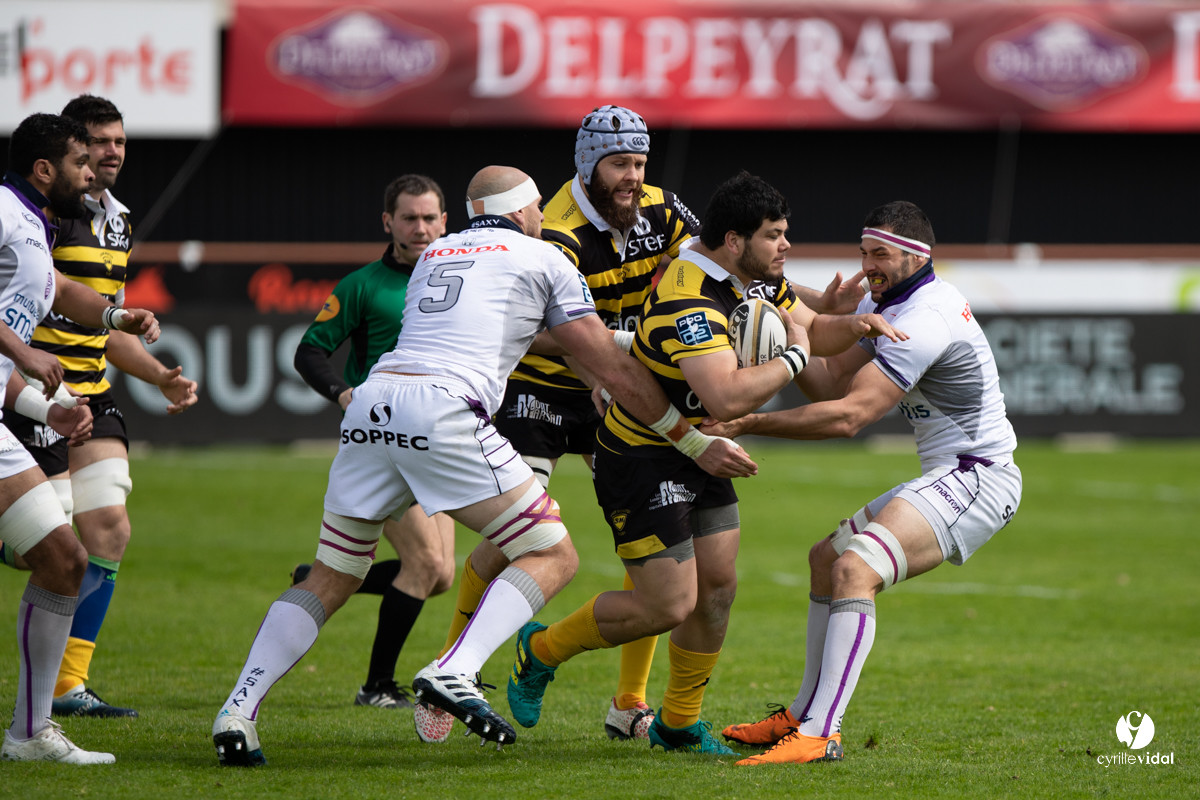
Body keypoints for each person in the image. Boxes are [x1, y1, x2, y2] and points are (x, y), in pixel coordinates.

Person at [211, 165, 757, 767]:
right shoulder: (543, 256)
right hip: (445, 409)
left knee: (331, 574)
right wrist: (689, 438)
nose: (545, 220)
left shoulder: (436, 252)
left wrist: (629, 343)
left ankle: (238, 709)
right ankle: (456, 669)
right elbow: (611, 365)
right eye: (539, 213)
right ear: (525, 212)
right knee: (553, 553)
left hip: (373, 402)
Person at [432, 105, 867, 743]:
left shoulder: (662, 210)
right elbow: (553, 332)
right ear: (587, 165)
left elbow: (730, 248)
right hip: (552, 380)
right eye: (619, 164)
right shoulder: (555, 234)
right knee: (516, 537)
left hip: (638, 377)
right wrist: (612, 365)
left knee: (702, 580)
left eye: (640, 161)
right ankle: (455, 676)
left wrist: (817, 305)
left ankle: (641, 709)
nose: (633, 176)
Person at [504, 172, 905, 755]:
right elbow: (728, 396)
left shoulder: (756, 277)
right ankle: (541, 650)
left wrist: (857, 325)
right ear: (735, 241)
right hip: (643, 451)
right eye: (776, 236)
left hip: (702, 449)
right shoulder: (690, 295)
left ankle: (678, 724)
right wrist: (795, 355)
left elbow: (813, 327)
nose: (786, 247)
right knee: (666, 605)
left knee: (717, 588)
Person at [711, 201, 1022, 765]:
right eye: (863, 252)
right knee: (825, 561)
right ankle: (802, 716)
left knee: (855, 569)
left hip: (981, 478)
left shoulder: (926, 317)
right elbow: (828, 383)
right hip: (952, 473)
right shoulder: (892, 303)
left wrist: (750, 421)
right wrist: (792, 335)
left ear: (916, 255)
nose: (867, 265)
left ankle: (821, 733)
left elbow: (849, 416)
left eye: (879, 254)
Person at [0, 95, 199, 720]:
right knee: (53, 537)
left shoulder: (114, 220)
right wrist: (27, 361)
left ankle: (64, 689)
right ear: (53, 160)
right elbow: (43, 298)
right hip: (35, 391)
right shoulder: (36, 215)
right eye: (89, 150)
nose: (103, 159)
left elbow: (82, 307)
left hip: (82, 392)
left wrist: (155, 368)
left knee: (102, 530)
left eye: (115, 144)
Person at [292, 174, 456, 710]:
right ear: (388, 222)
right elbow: (310, 352)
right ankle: (377, 687)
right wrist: (343, 395)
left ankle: (318, 579)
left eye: (430, 218)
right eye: (409, 218)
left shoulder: (458, 281)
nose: (421, 228)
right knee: (425, 566)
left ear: (446, 221)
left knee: (440, 576)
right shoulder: (362, 285)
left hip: (440, 441)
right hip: (382, 442)